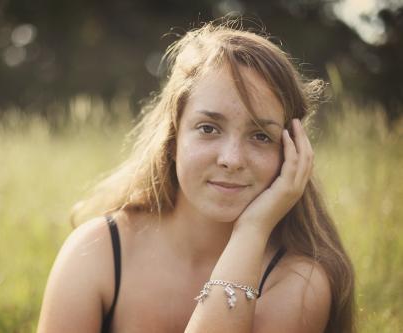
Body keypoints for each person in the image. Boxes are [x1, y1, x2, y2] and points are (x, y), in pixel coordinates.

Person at [37, 21, 355, 333]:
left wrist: (252, 231)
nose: (231, 159)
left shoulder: (299, 281)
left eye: (260, 136)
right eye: (208, 128)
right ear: (173, 139)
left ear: (291, 153)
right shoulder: (99, 250)